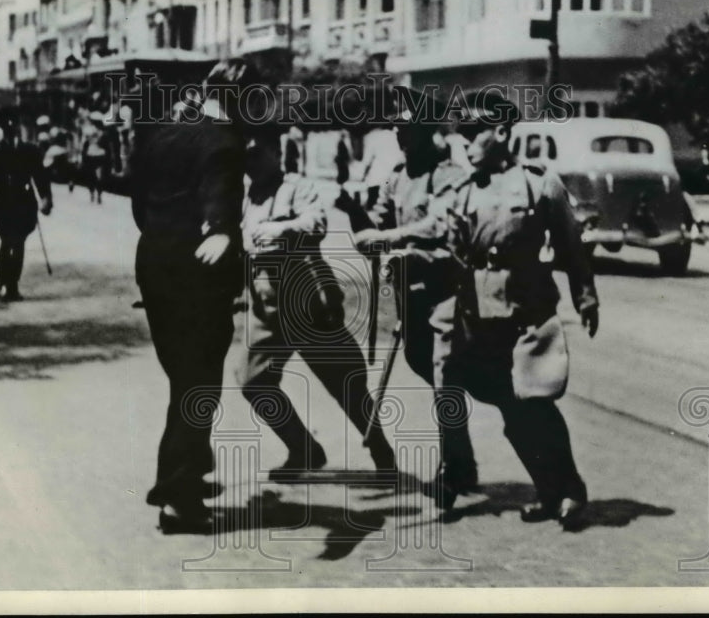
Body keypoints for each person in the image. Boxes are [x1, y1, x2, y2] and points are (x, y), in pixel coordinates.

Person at [435, 92, 599, 529]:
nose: (464, 143)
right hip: (480, 318)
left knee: (535, 403)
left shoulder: (539, 183)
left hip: (529, 312)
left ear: (502, 133)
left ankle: (570, 489)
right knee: (513, 412)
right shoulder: (464, 190)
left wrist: (586, 295)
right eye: (461, 135)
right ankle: (548, 490)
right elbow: (451, 254)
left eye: (474, 133)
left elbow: (571, 246)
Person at [128, 59, 252, 534]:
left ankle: (190, 474)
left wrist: (166, 237)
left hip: (154, 264)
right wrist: (218, 230)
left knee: (185, 377)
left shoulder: (159, 134)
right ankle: (177, 495)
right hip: (199, 272)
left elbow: (139, 205)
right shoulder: (222, 139)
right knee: (197, 385)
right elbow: (221, 193)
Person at [336, 89, 479, 491]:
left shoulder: (450, 174)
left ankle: (455, 465)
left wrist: (394, 239)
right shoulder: (398, 175)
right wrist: (352, 211)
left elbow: (437, 226)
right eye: (397, 127)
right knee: (426, 366)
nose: (399, 134)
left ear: (427, 129)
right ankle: (463, 458)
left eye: (406, 127)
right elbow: (374, 230)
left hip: (446, 291)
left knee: (443, 372)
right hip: (410, 295)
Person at [239, 133, 396, 481]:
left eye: (254, 154)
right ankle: (303, 448)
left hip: (309, 301)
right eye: (243, 157)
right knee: (253, 381)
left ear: (274, 152)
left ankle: (382, 451)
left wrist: (280, 229)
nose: (248, 163)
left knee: (346, 384)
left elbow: (316, 223)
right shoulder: (246, 195)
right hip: (267, 307)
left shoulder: (298, 187)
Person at [0, 106, 52, 303]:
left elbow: (41, 177)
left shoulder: (30, 151)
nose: (10, 131)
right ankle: (5, 283)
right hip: (2, 208)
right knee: (9, 243)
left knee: (17, 243)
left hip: (25, 207)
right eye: (6, 129)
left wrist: (46, 199)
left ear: (18, 129)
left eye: (13, 127)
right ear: (1, 130)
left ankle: (11, 284)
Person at [82, 111, 108, 204]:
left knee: (91, 175)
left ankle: (92, 193)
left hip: (91, 154)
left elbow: (84, 143)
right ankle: (99, 194)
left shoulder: (87, 130)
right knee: (99, 176)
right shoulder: (103, 132)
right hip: (100, 155)